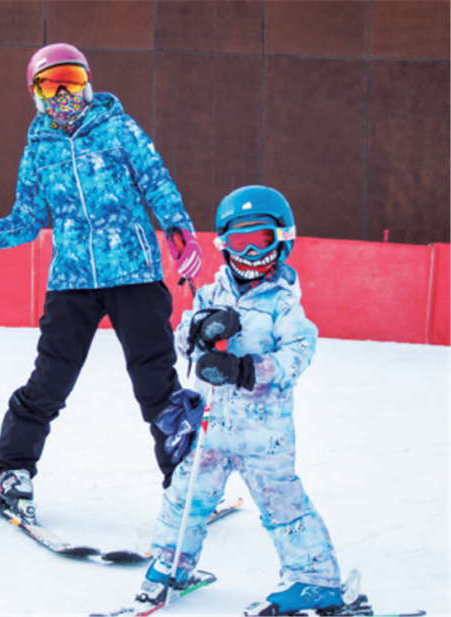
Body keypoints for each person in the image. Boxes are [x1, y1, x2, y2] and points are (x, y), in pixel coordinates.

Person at [0, 43, 203, 519]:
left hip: (134, 271)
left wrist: (178, 229)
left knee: (155, 379)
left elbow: (155, 180)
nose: (62, 91)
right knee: (51, 379)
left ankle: (185, 474)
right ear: (36, 94)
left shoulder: (117, 127)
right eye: (50, 83)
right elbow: (27, 218)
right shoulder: (38, 149)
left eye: (71, 78)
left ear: (87, 81)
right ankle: (13, 470)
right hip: (72, 281)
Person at [137, 185, 343, 616]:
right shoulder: (210, 295)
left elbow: (297, 355)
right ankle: (173, 562)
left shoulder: (285, 304)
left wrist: (245, 369)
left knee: (281, 503)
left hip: (263, 435)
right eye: (238, 241)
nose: (250, 252)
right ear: (223, 244)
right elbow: (184, 339)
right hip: (212, 426)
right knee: (186, 495)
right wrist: (199, 333)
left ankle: (313, 579)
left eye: (261, 239)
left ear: (282, 239)